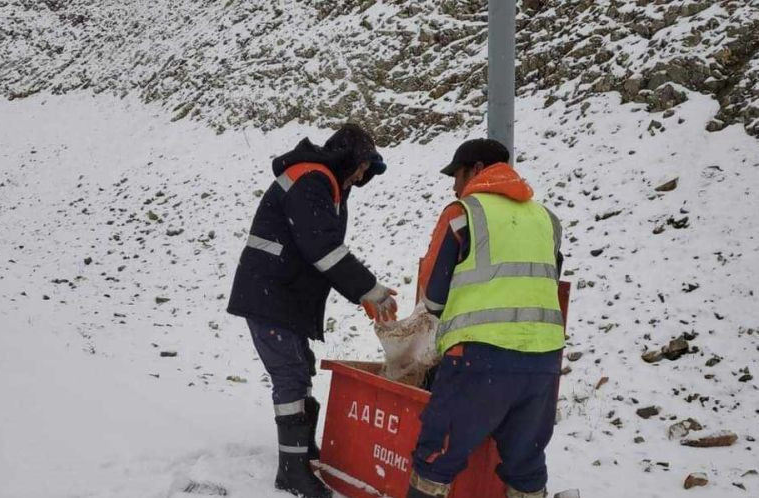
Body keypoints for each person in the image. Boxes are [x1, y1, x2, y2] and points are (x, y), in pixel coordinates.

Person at [227, 124, 398, 498]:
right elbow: (323, 249)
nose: (362, 175)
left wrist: (364, 292)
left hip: (281, 294)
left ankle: (301, 453)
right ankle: (291, 471)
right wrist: (370, 290)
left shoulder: (326, 183)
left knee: (300, 367)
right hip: (269, 293)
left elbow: (321, 248)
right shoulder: (312, 179)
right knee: (290, 374)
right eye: (362, 166)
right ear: (349, 158)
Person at [408, 139, 565, 498]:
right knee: (525, 464)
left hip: (478, 361)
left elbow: (432, 299)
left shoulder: (462, 213)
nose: (454, 185)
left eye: (457, 174)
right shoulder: (547, 219)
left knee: (436, 458)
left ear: (477, 169)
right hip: (544, 362)